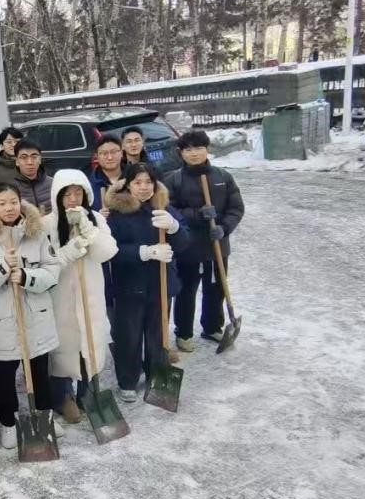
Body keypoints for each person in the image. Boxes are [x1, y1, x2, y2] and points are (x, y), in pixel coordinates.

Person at [0, 184, 61, 449]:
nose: (9, 208)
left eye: (13, 202)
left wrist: (27, 276)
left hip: (35, 318)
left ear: (21, 203)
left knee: (40, 372)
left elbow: (53, 270)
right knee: (3, 377)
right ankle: (8, 422)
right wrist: (3, 267)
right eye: (2, 203)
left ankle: (44, 417)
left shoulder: (36, 235)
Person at [103, 164, 190, 400]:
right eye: (137, 182)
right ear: (128, 185)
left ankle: (156, 375)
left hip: (161, 283)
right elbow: (110, 251)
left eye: (148, 182)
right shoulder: (116, 215)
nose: (143, 187)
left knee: (158, 335)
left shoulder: (164, 209)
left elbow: (184, 243)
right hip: (129, 286)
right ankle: (128, 380)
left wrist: (174, 228)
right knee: (128, 336)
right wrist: (146, 252)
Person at [162, 130, 245, 352]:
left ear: (207, 149)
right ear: (181, 153)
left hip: (217, 244)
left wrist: (224, 227)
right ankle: (183, 333)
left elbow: (236, 208)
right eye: (188, 149)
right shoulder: (173, 180)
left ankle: (211, 327)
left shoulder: (223, 177)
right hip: (187, 246)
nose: (194, 153)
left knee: (216, 289)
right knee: (186, 291)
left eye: (198, 148)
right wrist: (197, 214)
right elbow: (169, 209)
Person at [44, 169, 118, 420]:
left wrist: (87, 227)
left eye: (78, 193)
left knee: (90, 340)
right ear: (58, 196)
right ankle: (63, 396)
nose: (73, 199)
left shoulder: (95, 218)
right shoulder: (47, 223)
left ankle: (87, 392)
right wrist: (69, 250)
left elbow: (107, 252)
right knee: (64, 346)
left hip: (91, 292)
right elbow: (46, 262)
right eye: (67, 194)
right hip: (61, 296)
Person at [12, 139, 52, 212]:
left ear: (40, 159)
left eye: (34, 157)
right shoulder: (10, 187)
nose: (30, 162)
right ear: (17, 161)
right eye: (24, 157)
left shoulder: (53, 183)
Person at [89, 135, 126, 211]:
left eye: (113, 152)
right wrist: (97, 216)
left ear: (121, 153)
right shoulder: (89, 184)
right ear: (97, 156)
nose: (110, 157)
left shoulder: (134, 178)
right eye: (104, 153)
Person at [0, 126, 25, 191]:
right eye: (9, 142)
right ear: (2, 146)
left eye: (17, 141)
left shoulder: (31, 164)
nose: (13, 145)